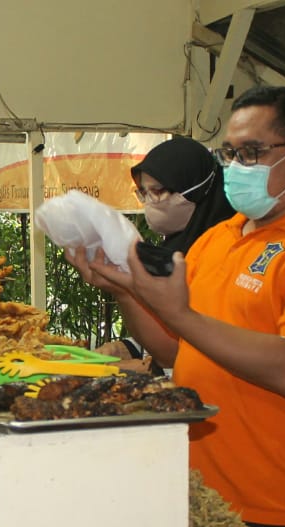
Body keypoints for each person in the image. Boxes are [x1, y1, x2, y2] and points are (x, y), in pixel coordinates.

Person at [66, 86, 285, 527]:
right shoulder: (219, 239)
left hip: (282, 514)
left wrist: (185, 316)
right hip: (202, 499)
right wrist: (124, 290)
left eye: (252, 152)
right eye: (230, 153)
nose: (237, 165)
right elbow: (176, 349)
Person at [100, 136, 237, 373]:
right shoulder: (172, 248)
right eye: (144, 192)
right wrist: (127, 348)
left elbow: (206, 339)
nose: (150, 202)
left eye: (158, 191)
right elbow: (168, 327)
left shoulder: (230, 252)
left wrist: (146, 367)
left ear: (196, 188)